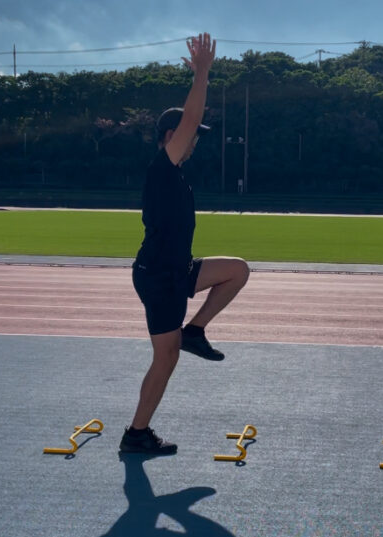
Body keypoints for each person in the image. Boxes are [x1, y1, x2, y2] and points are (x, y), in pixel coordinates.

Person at [120, 33, 250, 456]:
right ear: (172, 135)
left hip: (177, 270)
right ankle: (137, 433)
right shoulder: (163, 165)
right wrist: (203, 72)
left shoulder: (173, 173)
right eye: (191, 134)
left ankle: (196, 330)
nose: (196, 139)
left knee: (237, 270)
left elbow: (192, 123)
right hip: (159, 277)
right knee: (165, 358)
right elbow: (191, 119)